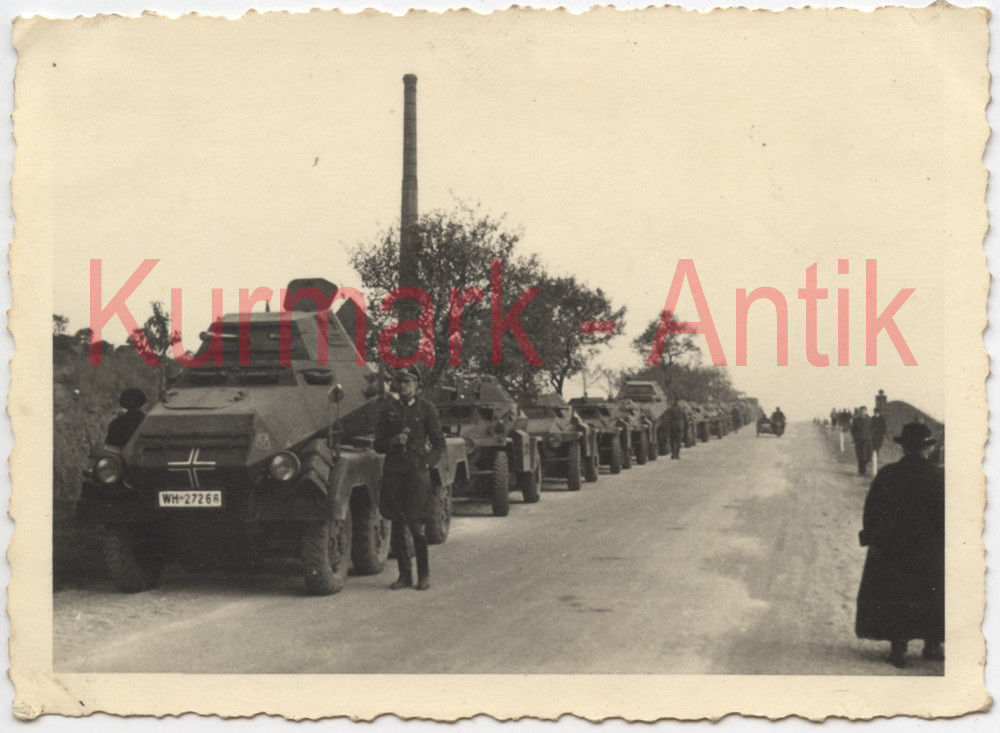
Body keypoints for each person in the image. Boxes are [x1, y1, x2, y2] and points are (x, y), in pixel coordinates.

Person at [855, 421, 944, 668]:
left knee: (896, 594)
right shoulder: (940, 477)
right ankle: (933, 645)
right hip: (931, 550)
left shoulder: (888, 475)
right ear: (927, 449)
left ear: (904, 448)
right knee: (933, 592)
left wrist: (874, 538)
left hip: (894, 550)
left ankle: (899, 648)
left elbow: (871, 512)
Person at [373, 367, 445, 591]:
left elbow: (439, 443)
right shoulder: (388, 409)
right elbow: (377, 444)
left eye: (407, 382)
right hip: (394, 473)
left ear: (416, 385)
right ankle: (405, 575)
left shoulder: (426, 409)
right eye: (399, 381)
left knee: (417, 527)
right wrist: (393, 441)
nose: (403, 385)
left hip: (416, 473)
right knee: (396, 526)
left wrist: (427, 463)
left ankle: (423, 575)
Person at [850, 406, 874, 476]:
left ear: (866, 411)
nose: (862, 412)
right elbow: (852, 430)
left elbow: (872, 429)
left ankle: (863, 468)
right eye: (861, 411)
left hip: (867, 439)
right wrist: (855, 438)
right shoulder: (856, 419)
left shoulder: (869, 419)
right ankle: (861, 471)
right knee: (860, 455)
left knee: (867, 455)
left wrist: (870, 436)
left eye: (864, 411)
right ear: (859, 412)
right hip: (859, 440)